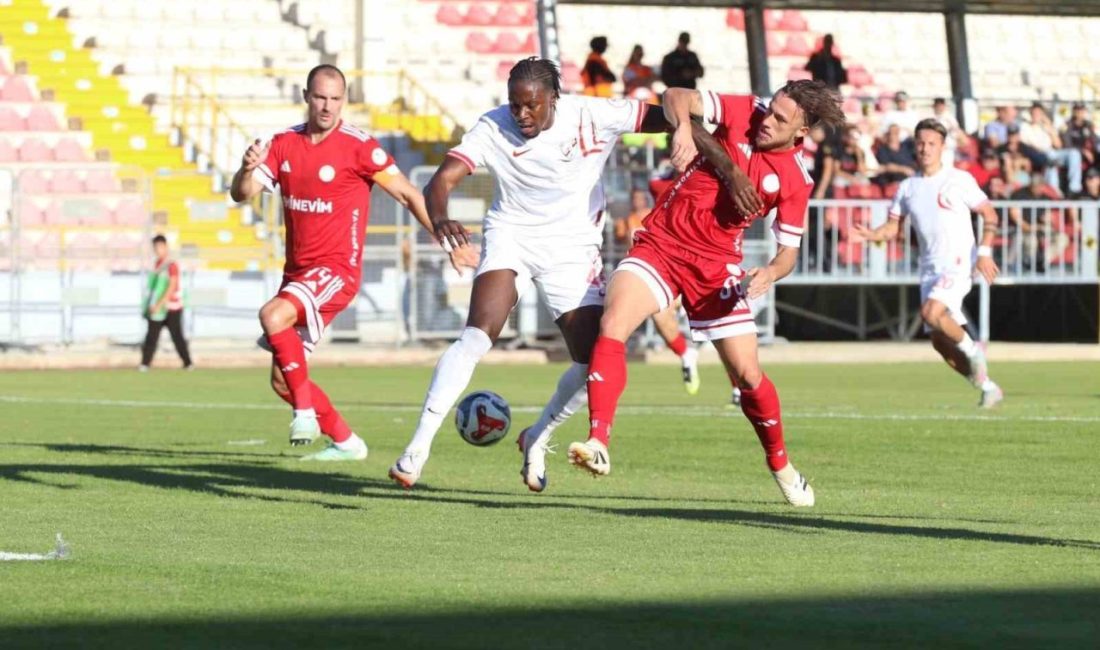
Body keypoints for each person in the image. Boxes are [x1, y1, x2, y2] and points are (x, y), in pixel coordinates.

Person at [389, 57, 737, 493]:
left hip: (572, 248)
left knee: (594, 361)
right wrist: (441, 220)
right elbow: (440, 181)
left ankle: (538, 436)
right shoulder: (493, 126)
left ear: (554, 97)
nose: (521, 115)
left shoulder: (593, 115)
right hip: (511, 234)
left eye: (531, 105)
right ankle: (417, 449)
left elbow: (667, 114)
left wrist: (701, 144)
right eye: (515, 105)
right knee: (478, 333)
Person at [570, 79, 846, 508]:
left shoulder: (794, 181)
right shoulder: (745, 110)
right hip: (660, 245)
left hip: (716, 268)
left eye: (780, 118)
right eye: (770, 108)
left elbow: (788, 253)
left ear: (801, 132)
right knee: (613, 322)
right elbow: (677, 95)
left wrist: (770, 274)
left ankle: (782, 466)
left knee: (748, 376)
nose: (766, 119)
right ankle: (598, 440)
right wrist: (682, 127)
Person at [229, 64, 466, 461]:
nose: (327, 106)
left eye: (335, 99)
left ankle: (305, 414)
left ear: (344, 100)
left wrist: (446, 238)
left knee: (272, 316)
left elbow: (408, 194)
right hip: (299, 273)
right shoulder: (284, 143)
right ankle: (346, 442)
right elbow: (242, 193)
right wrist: (246, 167)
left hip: (337, 271)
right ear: (307, 96)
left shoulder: (359, 147)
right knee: (283, 381)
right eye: (320, 97)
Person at [854, 119, 1004, 408]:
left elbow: (990, 214)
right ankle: (987, 385)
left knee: (931, 312)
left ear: (942, 147)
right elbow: (892, 228)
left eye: (931, 143)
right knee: (939, 341)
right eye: (921, 142)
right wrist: (872, 234)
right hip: (929, 269)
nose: (925, 148)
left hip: (959, 263)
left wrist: (984, 252)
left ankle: (975, 351)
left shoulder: (958, 179)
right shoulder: (907, 187)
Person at [139, 234, 193, 372]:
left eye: (160, 247)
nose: (157, 250)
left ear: (165, 247)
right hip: (157, 307)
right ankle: (145, 364)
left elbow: (172, 286)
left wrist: (159, 304)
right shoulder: (157, 264)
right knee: (151, 336)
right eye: (155, 247)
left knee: (177, 337)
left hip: (172, 307)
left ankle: (188, 363)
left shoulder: (171, 265)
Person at [1021, 102, 1083, 195]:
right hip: (1039, 154)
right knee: (1051, 158)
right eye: (1034, 113)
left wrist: (1050, 129)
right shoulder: (1025, 126)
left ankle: (1074, 188)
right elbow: (1026, 144)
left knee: (1074, 153)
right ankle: (1054, 191)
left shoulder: (1047, 126)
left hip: (1053, 152)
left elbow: (1058, 145)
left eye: (1039, 113)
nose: (1036, 116)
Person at [874, 123, 917, 189]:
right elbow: (887, 166)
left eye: (896, 132)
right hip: (893, 181)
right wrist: (904, 170)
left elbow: (916, 137)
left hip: (911, 180)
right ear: (887, 134)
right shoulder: (883, 150)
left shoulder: (906, 146)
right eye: (891, 132)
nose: (893, 135)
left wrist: (905, 129)